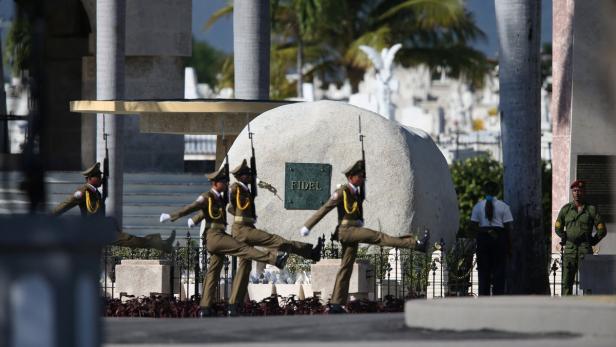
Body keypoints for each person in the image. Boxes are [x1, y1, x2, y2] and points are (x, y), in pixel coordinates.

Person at [299, 160, 430, 313]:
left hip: (353, 230)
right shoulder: (342, 191)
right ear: (351, 177)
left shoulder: (356, 192)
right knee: (377, 236)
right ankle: (416, 244)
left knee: (346, 267)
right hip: (347, 231)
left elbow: (354, 211)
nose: (362, 179)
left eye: (363, 176)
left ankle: (336, 304)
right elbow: (325, 208)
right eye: (360, 176)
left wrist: (359, 216)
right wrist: (307, 226)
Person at [159, 166, 288, 317]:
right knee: (243, 248)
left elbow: (208, 211)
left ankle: (205, 308)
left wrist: (194, 221)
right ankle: (274, 259)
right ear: (215, 183)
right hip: (215, 237)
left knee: (213, 272)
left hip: (218, 235)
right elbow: (192, 206)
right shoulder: (206, 196)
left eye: (227, 181)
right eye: (223, 182)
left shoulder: (219, 198)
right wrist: (171, 216)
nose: (226, 184)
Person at [52, 162, 175, 252]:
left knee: (128, 241)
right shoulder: (83, 191)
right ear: (90, 179)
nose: (100, 179)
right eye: (98, 177)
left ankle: (162, 244)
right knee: (128, 239)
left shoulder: (95, 192)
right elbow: (65, 204)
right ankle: (162, 244)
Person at [555, 180, 607, 295]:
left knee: (588, 282)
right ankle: (565, 307)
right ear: (572, 192)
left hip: (585, 248)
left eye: (580, 190)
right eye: (574, 191)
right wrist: (563, 236)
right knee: (566, 282)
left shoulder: (591, 210)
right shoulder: (566, 209)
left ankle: (587, 307)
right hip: (570, 249)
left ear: (584, 192)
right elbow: (558, 227)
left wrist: (593, 241)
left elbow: (602, 230)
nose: (577, 193)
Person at [470, 181, 513, 296]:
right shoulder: (504, 206)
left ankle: (483, 296)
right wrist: (509, 246)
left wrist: (485, 231)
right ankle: (498, 295)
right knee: (499, 270)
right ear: (497, 192)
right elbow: (508, 229)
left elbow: (473, 226)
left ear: (484, 192)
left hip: (483, 239)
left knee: (483, 270)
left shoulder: (477, 206)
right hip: (499, 238)